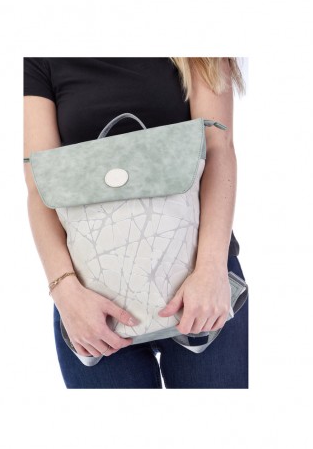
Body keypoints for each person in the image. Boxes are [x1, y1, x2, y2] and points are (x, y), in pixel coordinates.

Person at [23, 57, 248, 388]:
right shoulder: (41, 58)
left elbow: (219, 148)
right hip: (89, 299)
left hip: (201, 280)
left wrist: (211, 269)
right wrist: (65, 292)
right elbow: (38, 184)